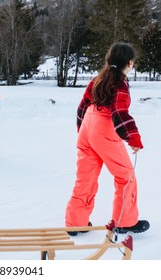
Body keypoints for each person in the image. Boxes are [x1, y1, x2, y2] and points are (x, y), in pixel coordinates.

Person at [65, 42, 149, 235]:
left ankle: (76, 222)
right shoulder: (119, 83)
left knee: (85, 178)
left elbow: (82, 106)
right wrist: (133, 138)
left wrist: (83, 134)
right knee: (125, 176)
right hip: (103, 130)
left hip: (87, 127)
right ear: (128, 63)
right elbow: (119, 112)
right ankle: (125, 221)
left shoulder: (97, 79)